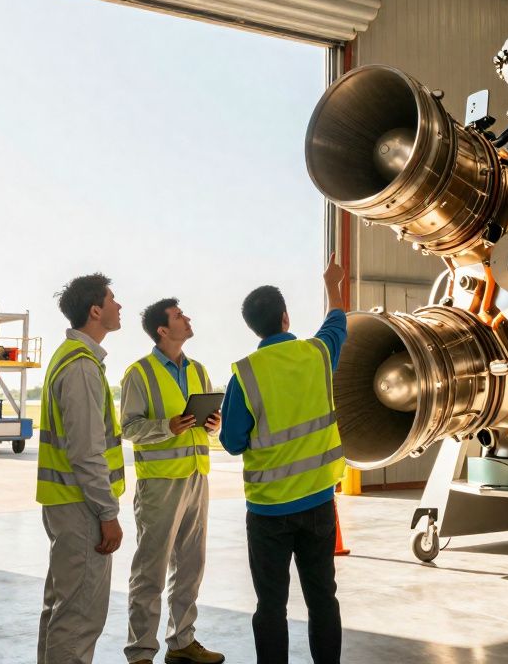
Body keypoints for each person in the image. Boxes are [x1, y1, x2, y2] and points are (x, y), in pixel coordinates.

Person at [220, 256, 348, 664]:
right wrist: (332, 282)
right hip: (317, 502)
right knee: (322, 599)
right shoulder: (316, 354)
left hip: (268, 511)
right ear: (286, 318)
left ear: (253, 328)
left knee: (271, 606)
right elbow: (337, 321)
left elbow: (233, 442)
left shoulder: (245, 373)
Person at [121, 298, 225, 664]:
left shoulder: (198, 369)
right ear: (163, 330)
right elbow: (129, 427)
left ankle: (182, 641)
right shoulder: (140, 373)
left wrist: (214, 425)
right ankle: (140, 652)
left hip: (197, 478)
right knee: (150, 569)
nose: (188, 318)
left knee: (191, 567)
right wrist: (168, 427)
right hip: (160, 484)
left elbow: (209, 423)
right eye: (180, 316)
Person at [37, 274, 127, 664]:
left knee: (61, 609)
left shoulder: (71, 358)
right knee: (79, 618)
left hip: (66, 503)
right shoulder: (81, 368)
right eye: (112, 299)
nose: (119, 306)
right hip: (82, 508)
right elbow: (88, 453)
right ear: (95, 310)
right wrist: (108, 513)